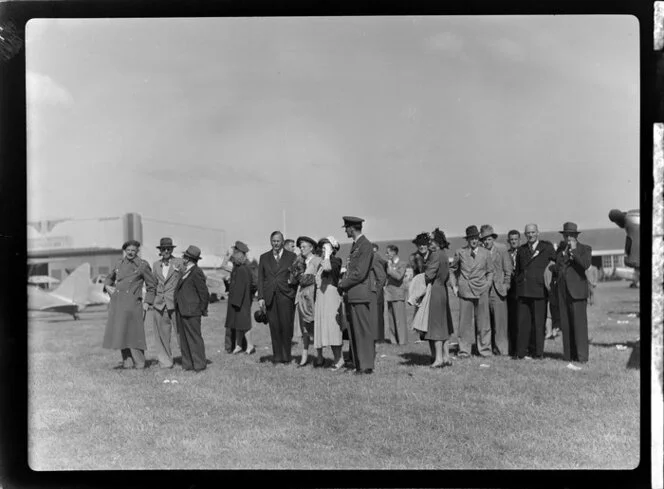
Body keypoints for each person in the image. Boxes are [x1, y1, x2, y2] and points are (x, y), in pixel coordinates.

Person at [103, 240, 157, 369]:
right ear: (124, 251)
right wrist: (107, 286)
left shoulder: (143, 265)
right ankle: (127, 363)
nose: (130, 252)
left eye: (133, 250)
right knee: (121, 332)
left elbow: (152, 286)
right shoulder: (119, 264)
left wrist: (147, 302)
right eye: (128, 250)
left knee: (134, 333)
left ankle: (140, 363)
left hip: (134, 304)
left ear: (137, 251)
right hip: (118, 303)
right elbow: (109, 277)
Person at [337, 216, 375, 374]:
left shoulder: (365, 245)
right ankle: (359, 364)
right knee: (354, 332)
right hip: (353, 293)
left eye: (346, 228)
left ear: (352, 228)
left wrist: (342, 284)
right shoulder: (357, 245)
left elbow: (359, 273)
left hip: (359, 292)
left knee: (362, 331)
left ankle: (365, 366)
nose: (345, 230)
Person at [449, 225, 494, 358]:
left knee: (484, 322)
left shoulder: (485, 253)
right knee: (464, 323)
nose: (474, 241)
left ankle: (485, 349)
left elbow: (490, 271)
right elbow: (452, 270)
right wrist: (454, 286)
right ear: (467, 240)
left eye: (475, 238)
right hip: (465, 290)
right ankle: (464, 350)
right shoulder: (460, 252)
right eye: (471, 238)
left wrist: (487, 284)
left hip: (481, 290)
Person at [514, 224, 555, 360]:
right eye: (528, 233)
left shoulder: (547, 248)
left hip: (539, 291)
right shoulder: (521, 250)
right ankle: (521, 352)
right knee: (523, 323)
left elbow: (555, 264)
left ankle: (538, 353)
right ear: (525, 235)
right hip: (523, 291)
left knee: (538, 324)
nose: (530, 235)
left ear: (538, 233)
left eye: (533, 232)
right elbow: (518, 271)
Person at [257, 231, 297, 365]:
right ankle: (277, 357)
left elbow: (296, 275)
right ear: (270, 242)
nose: (275, 243)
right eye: (273, 241)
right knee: (274, 327)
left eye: (278, 241)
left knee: (286, 326)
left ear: (282, 242)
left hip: (286, 295)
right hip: (270, 296)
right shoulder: (264, 257)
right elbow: (260, 278)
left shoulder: (292, 256)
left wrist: (292, 286)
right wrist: (260, 297)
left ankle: (286, 357)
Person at [555, 222, 592, 364]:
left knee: (580, 326)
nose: (568, 238)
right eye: (566, 235)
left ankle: (582, 357)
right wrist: (564, 254)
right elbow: (558, 267)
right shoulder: (560, 250)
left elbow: (585, 265)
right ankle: (569, 356)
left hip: (577, 292)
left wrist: (574, 251)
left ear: (576, 236)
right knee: (566, 325)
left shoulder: (585, 249)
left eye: (571, 235)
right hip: (563, 291)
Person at [174, 245, 210, 372]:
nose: (182, 258)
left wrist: (201, 309)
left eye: (184, 256)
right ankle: (188, 364)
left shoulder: (196, 272)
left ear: (188, 258)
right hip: (183, 310)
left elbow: (204, 293)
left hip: (192, 311)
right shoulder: (186, 271)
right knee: (184, 339)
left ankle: (199, 365)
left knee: (194, 338)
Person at [149, 237, 183, 369]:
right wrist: (150, 302)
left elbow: (185, 279)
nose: (167, 251)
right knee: (162, 334)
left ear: (172, 250)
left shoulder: (179, 262)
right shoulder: (156, 265)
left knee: (180, 332)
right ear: (160, 251)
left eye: (169, 249)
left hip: (175, 303)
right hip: (159, 304)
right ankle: (165, 362)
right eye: (164, 249)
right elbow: (153, 283)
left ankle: (186, 359)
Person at [480, 225, 513, 356]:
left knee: (500, 323)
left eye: (488, 239)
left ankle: (502, 349)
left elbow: (508, 269)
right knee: (485, 321)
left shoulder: (502, 249)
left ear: (493, 239)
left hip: (499, 290)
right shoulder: (480, 251)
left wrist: (506, 284)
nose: (486, 242)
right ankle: (486, 348)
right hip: (484, 291)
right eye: (484, 240)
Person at [424, 228, 454, 367]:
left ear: (437, 242)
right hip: (443, 290)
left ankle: (438, 358)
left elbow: (429, 274)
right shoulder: (444, 254)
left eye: (432, 241)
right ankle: (446, 356)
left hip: (435, 290)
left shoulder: (435, 255)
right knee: (444, 324)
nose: (430, 243)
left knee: (435, 325)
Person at [313, 236, 344, 370]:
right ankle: (328, 358)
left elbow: (328, 269)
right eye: (322, 247)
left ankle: (339, 358)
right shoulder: (321, 262)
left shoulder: (335, 261)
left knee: (333, 327)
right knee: (323, 327)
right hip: (321, 297)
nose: (322, 249)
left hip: (331, 296)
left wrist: (327, 254)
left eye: (326, 246)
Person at [291, 236, 322, 367]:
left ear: (311, 247)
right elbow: (294, 279)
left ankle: (319, 356)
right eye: (300, 247)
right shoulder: (299, 261)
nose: (301, 249)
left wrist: (306, 278)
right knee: (304, 329)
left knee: (314, 327)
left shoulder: (317, 261)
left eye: (304, 247)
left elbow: (317, 279)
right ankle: (304, 356)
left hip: (312, 297)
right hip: (301, 296)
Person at [224, 241, 256, 355]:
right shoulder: (238, 267)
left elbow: (242, 288)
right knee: (237, 324)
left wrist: (236, 302)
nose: (233, 255)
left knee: (244, 324)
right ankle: (238, 345)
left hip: (241, 301)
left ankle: (250, 345)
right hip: (237, 300)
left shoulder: (243, 269)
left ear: (240, 254)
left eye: (235, 253)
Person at [384, 244, 408, 345]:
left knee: (399, 320)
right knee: (391, 319)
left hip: (398, 295)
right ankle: (393, 340)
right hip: (389, 295)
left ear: (394, 252)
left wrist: (390, 269)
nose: (387, 254)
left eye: (388, 252)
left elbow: (399, 277)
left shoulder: (402, 264)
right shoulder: (388, 264)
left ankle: (402, 341)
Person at [506, 229, 521, 355]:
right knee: (511, 320)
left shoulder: (524, 252)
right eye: (511, 240)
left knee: (521, 320)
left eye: (516, 239)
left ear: (519, 240)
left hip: (521, 290)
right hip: (509, 291)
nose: (514, 242)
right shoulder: (506, 254)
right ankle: (512, 347)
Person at [370, 243, 387, 344]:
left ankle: (379, 338)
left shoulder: (375, 257)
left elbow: (381, 277)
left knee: (378, 315)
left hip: (376, 292)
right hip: (372, 291)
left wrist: (377, 291)